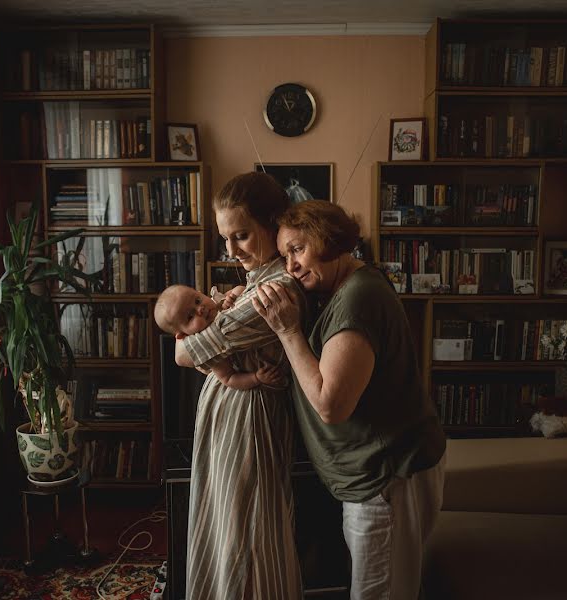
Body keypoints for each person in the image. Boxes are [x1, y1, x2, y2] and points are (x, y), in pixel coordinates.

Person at [253, 200, 447, 600]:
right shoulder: (342, 287)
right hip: (375, 477)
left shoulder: (358, 298)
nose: (290, 265)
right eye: (284, 253)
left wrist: (288, 332)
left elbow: (330, 404)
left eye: (297, 249)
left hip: (384, 478)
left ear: (326, 240)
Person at [173, 172, 304, 599]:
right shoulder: (253, 284)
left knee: (245, 535)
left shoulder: (275, 289)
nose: (230, 251)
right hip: (229, 418)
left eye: (242, 235)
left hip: (248, 422)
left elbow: (185, 354)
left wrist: (188, 346)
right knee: (225, 527)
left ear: (273, 224)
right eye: (225, 238)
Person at [154, 283, 283, 390]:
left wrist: (232, 299)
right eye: (190, 316)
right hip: (262, 373)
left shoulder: (218, 302)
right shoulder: (208, 347)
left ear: (200, 292)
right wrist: (256, 378)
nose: (200, 309)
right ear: (183, 335)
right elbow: (229, 379)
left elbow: (242, 290)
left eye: (197, 300)